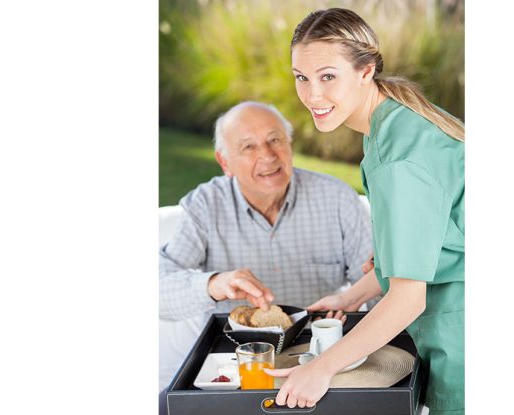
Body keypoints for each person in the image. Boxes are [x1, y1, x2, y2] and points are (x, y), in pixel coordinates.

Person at [266, 8, 465, 415]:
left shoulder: (398, 160)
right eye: (301, 77)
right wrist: (352, 296)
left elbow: (407, 300)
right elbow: (438, 239)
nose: (312, 95)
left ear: (365, 71)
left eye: (327, 76)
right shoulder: (397, 124)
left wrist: (321, 368)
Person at [158, 101, 373, 393]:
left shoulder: (338, 199)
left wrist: (352, 310)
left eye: (275, 140)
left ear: (290, 145)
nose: (268, 156)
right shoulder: (205, 206)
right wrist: (214, 283)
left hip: (317, 359)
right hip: (235, 366)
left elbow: (376, 283)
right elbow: (158, 291)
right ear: (225, 163)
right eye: (248, 147)